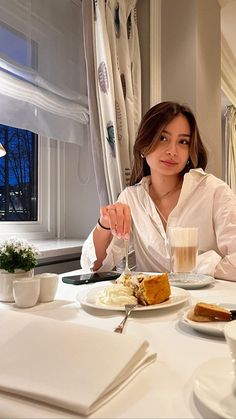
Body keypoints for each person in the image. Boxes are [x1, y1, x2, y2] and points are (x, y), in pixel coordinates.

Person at [81, 101, 236, 281]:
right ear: (143, 145)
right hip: (152, 306)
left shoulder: (215, 191)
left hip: (207, 305)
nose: (172, 151)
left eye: (183, 142)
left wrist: (199, 264)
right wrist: (105, 224)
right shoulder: (130, 198)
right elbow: (93, 266)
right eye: (163, 138)